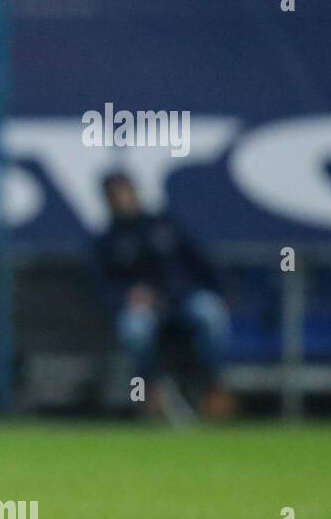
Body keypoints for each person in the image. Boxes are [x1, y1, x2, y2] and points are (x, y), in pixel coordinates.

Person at [94, 171, 235, 420]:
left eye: (124, 192)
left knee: (210, 312)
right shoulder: (106, 240)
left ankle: (215, 386)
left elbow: (202, 265)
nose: (121, 199)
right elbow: (102, 287)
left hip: (181, 300)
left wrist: (221, 292)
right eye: (114, 195)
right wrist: (128, 297)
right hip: (142, 308)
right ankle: (151, 390)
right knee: (134, 328)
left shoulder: (165, 226)